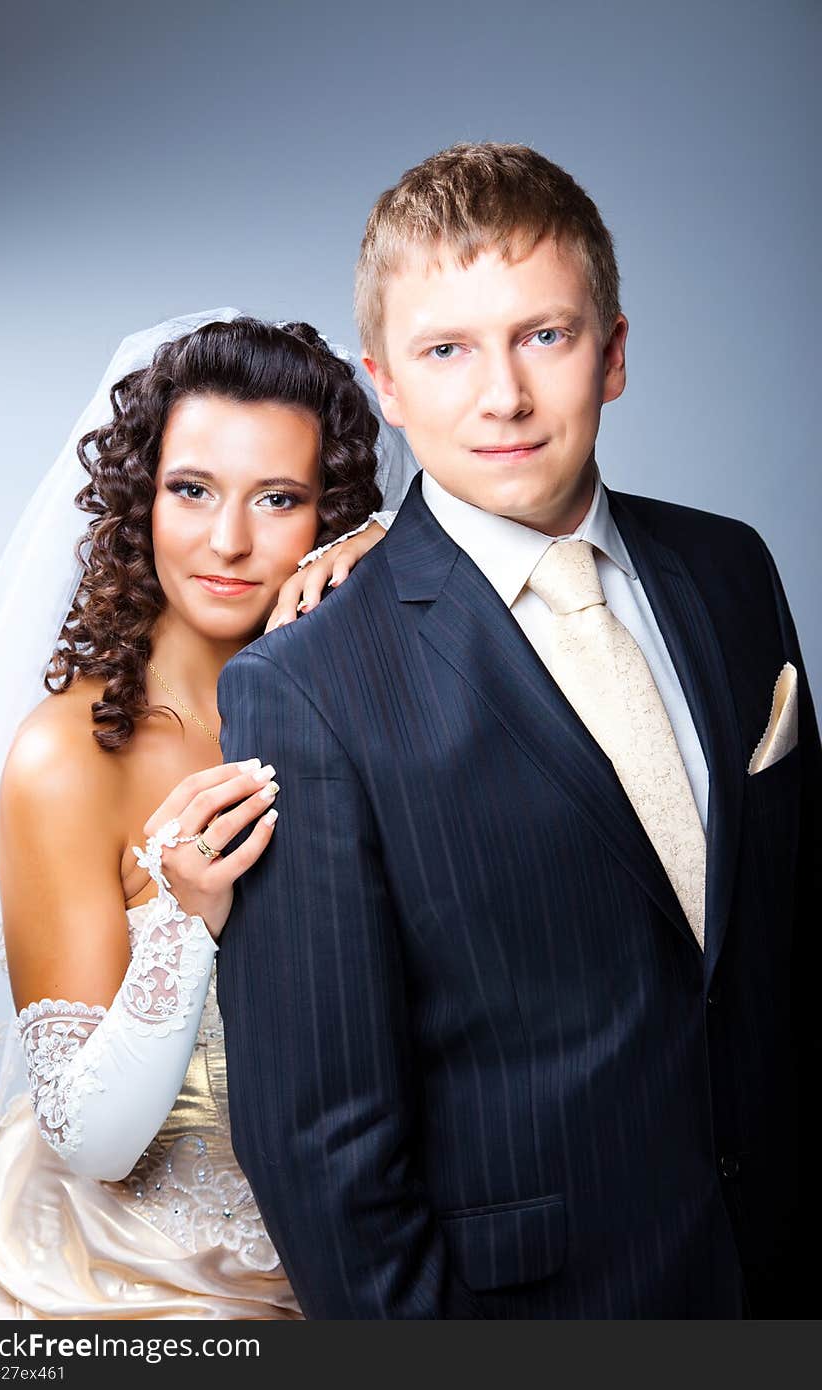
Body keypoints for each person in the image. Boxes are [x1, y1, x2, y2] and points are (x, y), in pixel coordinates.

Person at [217, 144, 821, 1318]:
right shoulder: (310, 684)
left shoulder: (731, 566)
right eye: (447, 350)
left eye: (543, 335)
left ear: (616, 351)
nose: (503, 395)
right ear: (384, 382)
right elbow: (321, 1146)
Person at [0, 310, 415, 1320]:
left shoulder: (363, 713)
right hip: (135, 1280)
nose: (229, 541)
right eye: (191, 490)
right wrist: (181, 919)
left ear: (329, 515)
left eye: (278, 499)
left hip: (369, 1255)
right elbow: (89, 1137)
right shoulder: (71, 756)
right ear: (137, 498)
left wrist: (398, 546)